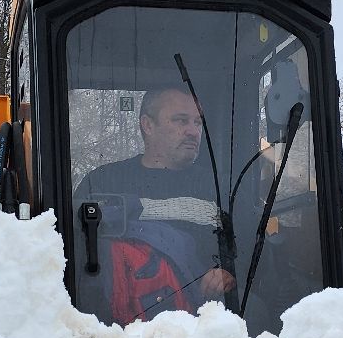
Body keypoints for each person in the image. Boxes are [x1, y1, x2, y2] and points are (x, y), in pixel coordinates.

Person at [75, 84, 236, 320]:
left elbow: (247, 249)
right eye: (181, 121)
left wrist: (228, 274)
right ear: (147, 125)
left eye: (197, 123)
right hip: (112, 329)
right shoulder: (101, 183)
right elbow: (77, 254)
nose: (193, 131)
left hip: (204, 322)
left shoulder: (219, 188)